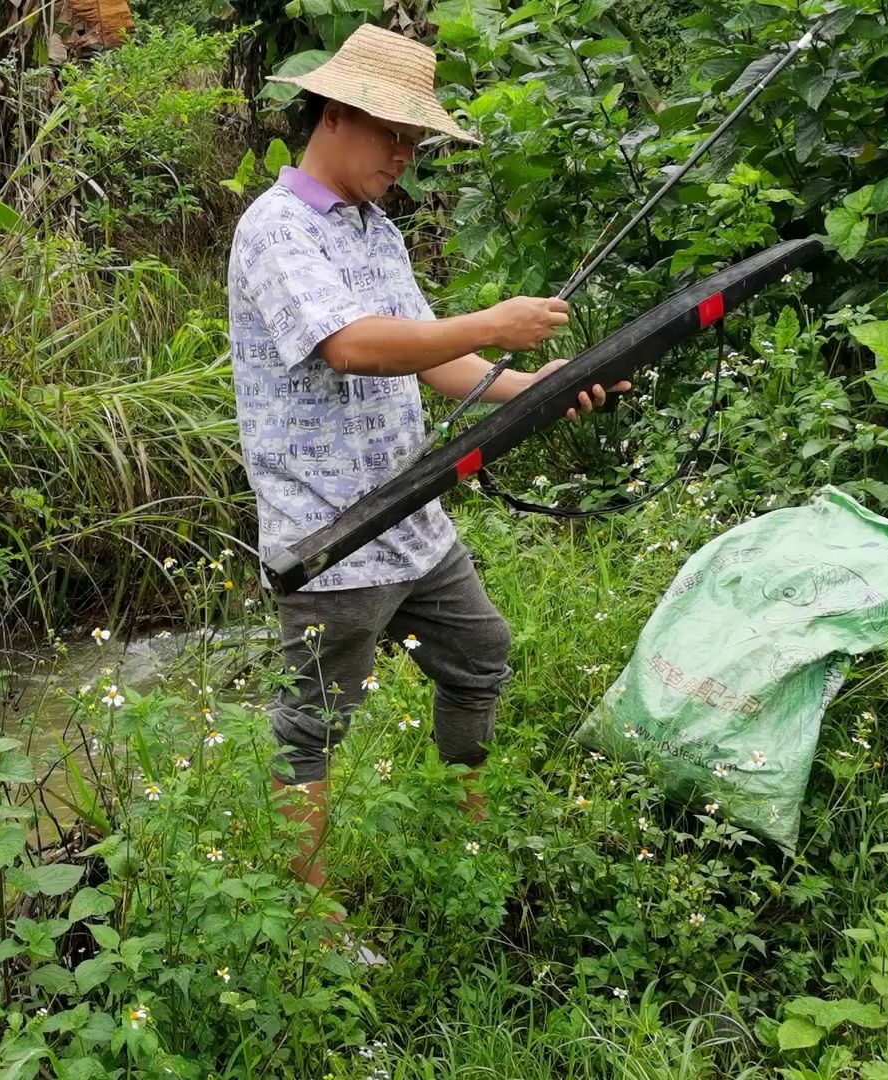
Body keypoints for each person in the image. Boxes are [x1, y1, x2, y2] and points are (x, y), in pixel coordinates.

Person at [226, 24, 629, 954]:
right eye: (392, 136)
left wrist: (544, 387)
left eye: (416, 142)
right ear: (336, 113)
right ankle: (311, 920)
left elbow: (439, 365)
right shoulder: (274, 229)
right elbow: (352, 345)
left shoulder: (378, 231)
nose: (404, 157)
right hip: (332, 533)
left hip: (410, 518)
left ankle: (461, 836)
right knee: (313, 729)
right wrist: (489, 319)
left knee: (479, 650)